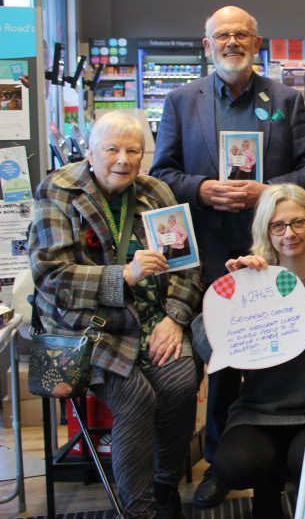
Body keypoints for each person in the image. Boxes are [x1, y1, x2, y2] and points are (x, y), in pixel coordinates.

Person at [150, 5, 305, 509]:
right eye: (222, 35)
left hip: (274, 252)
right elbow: (162, 174)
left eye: (242, 35)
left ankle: (285, 441)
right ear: (207, 44)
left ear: (257, 41)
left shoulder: (286, 99)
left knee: (280, 345)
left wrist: (266, 193)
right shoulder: (181, 101)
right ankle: (217, 464)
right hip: (208, 252)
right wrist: (202, 189)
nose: (232, 42)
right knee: (223, 357)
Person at [29, 111, 201, 519]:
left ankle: (164, 487)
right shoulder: (59, 191)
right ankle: (138, 511)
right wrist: (123, 274)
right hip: (89, 326)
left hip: (151, 319)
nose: (123, 159)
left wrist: (174, 317)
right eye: (112, 149)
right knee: (137, 397)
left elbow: (188, 265)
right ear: (90, 152)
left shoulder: (156, 191)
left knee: (180, 382)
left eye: (133, 150)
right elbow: (50, 275)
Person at [202, 184, 305, 519]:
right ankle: (267, 494)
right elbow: (206, 349)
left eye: (298, 222)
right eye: (278, 225)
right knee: (234, 466)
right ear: (266, 230)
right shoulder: (251, 280)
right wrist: (230, 296)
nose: (289, 233)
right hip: (259, 411)